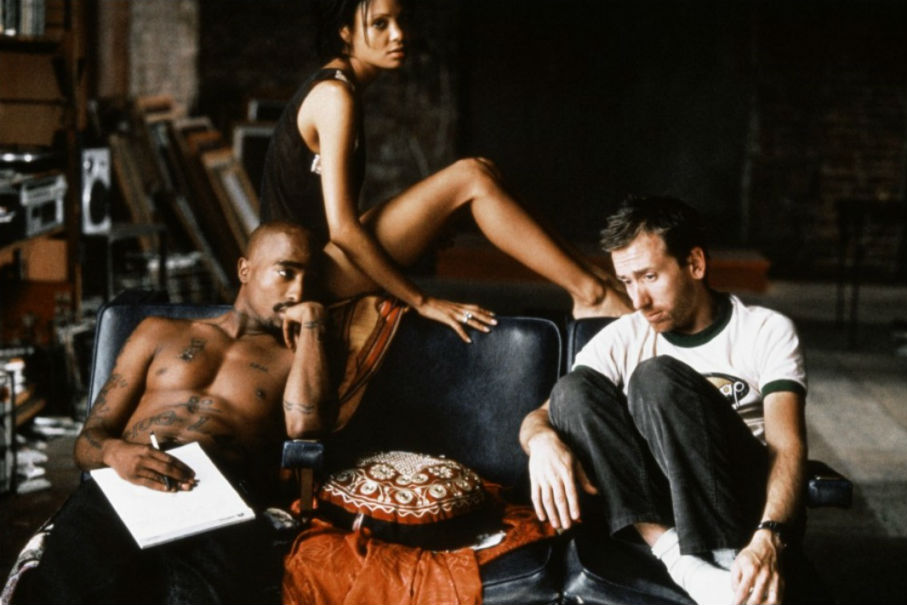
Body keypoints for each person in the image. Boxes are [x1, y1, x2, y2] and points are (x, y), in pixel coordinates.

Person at [260, 0, 631, 342]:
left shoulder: (338, 87)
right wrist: (422, 301)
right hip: (305, 278)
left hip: (320, 257)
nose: (399, 34)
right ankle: (591, 294)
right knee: (471, 178)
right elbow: (343, 230)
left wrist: (426, 223)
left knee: (484, 170)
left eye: (402, 20)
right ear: (345, 32)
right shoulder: (335, 97)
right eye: (380, 24)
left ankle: (593, 277)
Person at [13, 222, 333, 605]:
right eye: (286, 272)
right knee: (65, 590)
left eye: (309, 280)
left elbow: (305, 424)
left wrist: (312, 326)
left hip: (219, 498)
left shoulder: (294, 359)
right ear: (245, 270)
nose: (298, 292)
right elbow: (87, 443)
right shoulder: (157, 332)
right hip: (127, 486)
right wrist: (116, 453)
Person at [519, 197, 808, 605]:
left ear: (695, 264)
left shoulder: (766, 330)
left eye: (650, 276)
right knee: (572, 390)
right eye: (627, 282)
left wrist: (769, 535)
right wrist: (541, 442)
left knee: (655, 378)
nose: (638, 300)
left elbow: (787, 444)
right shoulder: (626, 334)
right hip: (663, 508)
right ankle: (687, 567)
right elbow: (542, 413)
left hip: (743, 501)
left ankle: (728, 565)